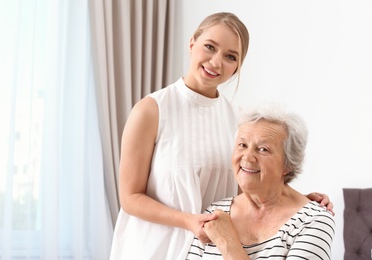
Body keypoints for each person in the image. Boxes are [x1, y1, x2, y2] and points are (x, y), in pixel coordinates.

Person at [110, 12, 333, 260]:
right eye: (210, 47)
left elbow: (247, 185)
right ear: (192, 43)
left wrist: (298, 199)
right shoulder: (151, 110)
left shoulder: (237, 118)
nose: (216, 62)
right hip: (153, 248)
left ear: (237, 66)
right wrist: (190, 222)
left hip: (211, 249)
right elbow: (130, 198)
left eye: (230, 57)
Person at [186, 104, 335, 259]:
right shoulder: (215, 214)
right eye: (242, 145)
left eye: (263, 149)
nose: (247, 157)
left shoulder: (313, 220)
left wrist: (228, 243)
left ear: (288, 164)